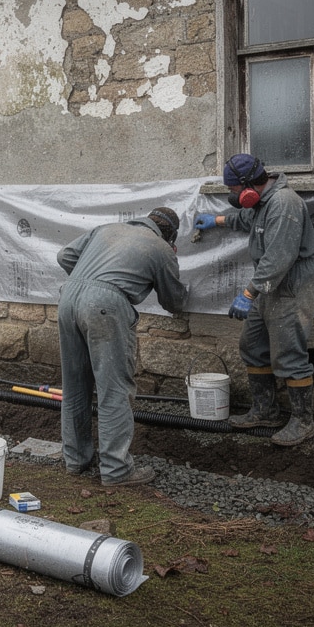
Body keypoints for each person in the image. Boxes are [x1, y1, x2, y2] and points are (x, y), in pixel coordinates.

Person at [191, 153, 314, 445]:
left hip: (291, 284)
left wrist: (248, 293)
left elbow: (279, 257)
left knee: (289, 353)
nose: (232, 196)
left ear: (249, 186)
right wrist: (217, 220)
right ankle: (265, 409)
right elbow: (247, 219)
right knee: (252, 345)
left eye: (234, 190)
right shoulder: (262, 203)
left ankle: (303, 421)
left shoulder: (284, 204)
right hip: (267, 285)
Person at [57, 207, 190, 486]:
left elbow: (64, 255)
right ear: (171, 236)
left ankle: (76, 460)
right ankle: (116, 470)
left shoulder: (107, 229)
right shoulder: (160, 248)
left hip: (68, 298)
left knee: (75, 385)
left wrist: (89, 279)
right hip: (105, 306)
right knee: (114, 389)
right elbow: (173, 301)